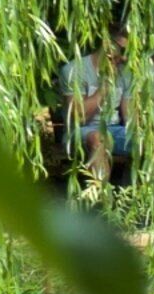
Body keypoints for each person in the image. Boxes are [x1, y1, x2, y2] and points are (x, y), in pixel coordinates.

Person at [58, 26, 136, 185]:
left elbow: (129, 116)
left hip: (114, 129)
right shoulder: (74, 70)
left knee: (150, 141)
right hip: (81, 130)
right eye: (122, 50)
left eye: (129, 52)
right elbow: (79, 117)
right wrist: (104, 87)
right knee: (98, 138)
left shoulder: (125, 72)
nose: (124, 57)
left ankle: (135, 194)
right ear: (107, 43)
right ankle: (102, 197)